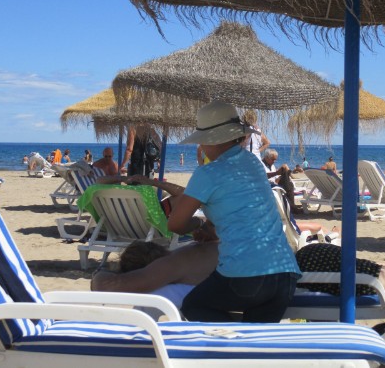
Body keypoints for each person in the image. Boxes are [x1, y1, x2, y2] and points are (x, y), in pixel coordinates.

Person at [92, 240, 385, 326]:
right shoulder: (199, 247)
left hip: (311, 269)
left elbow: (114, 287)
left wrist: (104, 274)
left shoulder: (173, 265)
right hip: (308, 260)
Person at [125, 100, 300, 323]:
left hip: (246, 275)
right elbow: (240, 209)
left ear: (209, 140)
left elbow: (175, 224)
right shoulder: (253, 163)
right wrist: (210, 227)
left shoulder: (208, 173)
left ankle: (229, 338)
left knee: (194, 305)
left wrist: (198, 226)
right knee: (254, 334)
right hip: (285, 273)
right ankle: (237, 340)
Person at [262, 148, 301, 213]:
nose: (274, 161)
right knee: (288, 185)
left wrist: (279, 176)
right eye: (273, 159)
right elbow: (263, 176)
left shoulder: (272, 165)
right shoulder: (261, 164)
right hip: (268, 185)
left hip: (275, 183)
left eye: (275, 160)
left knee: (288, 183)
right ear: (266, 157)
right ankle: (293, 208)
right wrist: (276, 173)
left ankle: (292, 207)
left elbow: (275, 177)